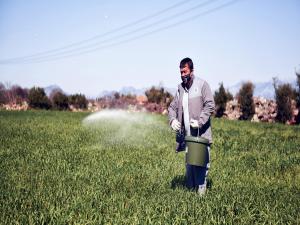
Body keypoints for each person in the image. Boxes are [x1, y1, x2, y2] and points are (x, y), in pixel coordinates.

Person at [168, 57, 215, 195]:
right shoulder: (180, 89)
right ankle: (189, 199)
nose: (183, 75)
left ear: (192, 70)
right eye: (181, 72)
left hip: (200, 137)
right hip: (188, 137)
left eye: (185, 71)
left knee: (201, 167)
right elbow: (172, 107)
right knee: (190, 168)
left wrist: (200, 121)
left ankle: (201, 201)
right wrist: (172, 120)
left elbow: (210, 105)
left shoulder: (202, 85)